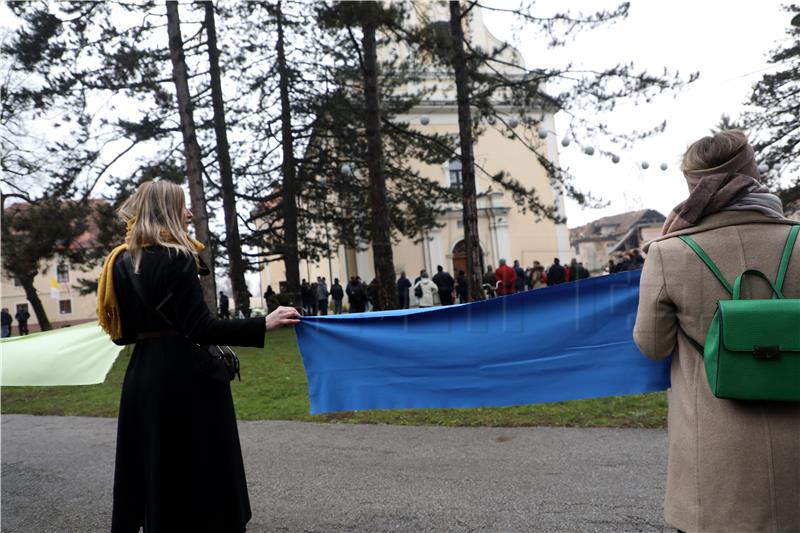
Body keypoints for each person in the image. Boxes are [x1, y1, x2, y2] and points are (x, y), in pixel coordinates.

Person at [95, 180, 301, 533]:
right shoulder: (178, 256)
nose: (189, 214)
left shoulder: (119, 262)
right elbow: (201, 328)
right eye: (182, 207)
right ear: (167, 212)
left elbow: (121, 336)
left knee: (155, 470)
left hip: (142, 377)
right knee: (201, 474)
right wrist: (263, 324)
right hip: (186, 379)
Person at [634, 130, 800, 533]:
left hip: (715, 459)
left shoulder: (669, 254)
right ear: (753, 172)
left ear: (693, 185)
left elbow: (653, 346)